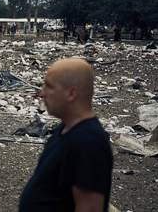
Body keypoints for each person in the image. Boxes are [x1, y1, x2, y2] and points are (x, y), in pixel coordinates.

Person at [19, 58, 113, 212]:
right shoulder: (66, 128)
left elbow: (89, 208)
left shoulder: (88, 142)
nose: (42, 93)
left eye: (49, 86)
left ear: (71, 93)